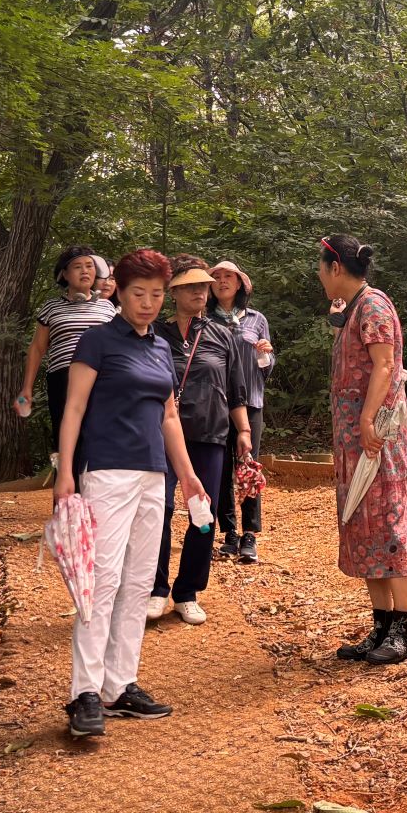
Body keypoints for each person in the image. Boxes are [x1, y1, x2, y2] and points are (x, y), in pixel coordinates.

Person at [54, 249, 208, 738]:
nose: (148, 303)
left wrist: (187, 476)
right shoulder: (96, 341)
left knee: (139, 582)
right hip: (106, 471)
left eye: (156, 294)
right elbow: (73, 409)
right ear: (118, 292)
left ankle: (119, 685)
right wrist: (65, 473)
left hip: (153, 475)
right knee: (102, 580)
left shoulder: (161, 346)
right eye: (138, 293)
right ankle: (84, 691)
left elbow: (168, 416)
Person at [317, 233, 407, 665]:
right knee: (364, 526)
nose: (320, 276)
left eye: (322, 267)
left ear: (336, 268)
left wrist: (367, 419)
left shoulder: (374, 304)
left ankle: (404, 628)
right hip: (355, 441)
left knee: (388, 522)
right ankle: (381, 625)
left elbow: (385, 364)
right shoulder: (356, 307)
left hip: (375, 435)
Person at [147, 256, 251, 625]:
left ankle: (187, 592)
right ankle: (155, 589)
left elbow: (236, 389)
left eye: (203, 285)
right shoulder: (154, 334)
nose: (200, 292)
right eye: (190, 286)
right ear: (173, 291)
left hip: (211, 433)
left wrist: (244, 432)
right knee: (157, 510)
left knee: (202, 513)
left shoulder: (223, 335)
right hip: (160, 436)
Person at [16, 246, 117, 443]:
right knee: (66, 438)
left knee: (103, 438)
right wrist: (27, 388)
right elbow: (37, 348)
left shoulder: (107, 307)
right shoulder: (51, 307)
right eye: (78, 267)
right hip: (63, 378)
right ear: (65, 274)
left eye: (89, 266)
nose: (85, 271)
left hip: (102, 378)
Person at [210, 258, 273, 564]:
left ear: (239, 284)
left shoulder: (256, 319)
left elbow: (267, 367)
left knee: (248, 465)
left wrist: (264, 355)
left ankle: (250, 534)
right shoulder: (205, 320)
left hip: (251, 402)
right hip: (215, 404)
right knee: (221, 468)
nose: (222, 281)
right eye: (217, 277)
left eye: (228, 276)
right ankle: (229, 533)